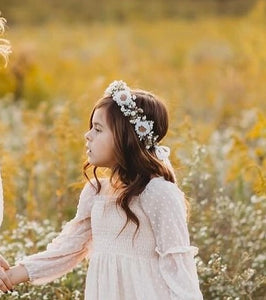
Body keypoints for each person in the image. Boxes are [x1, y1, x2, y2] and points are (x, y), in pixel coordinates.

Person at [0, 80, 203, 299]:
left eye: (98, 129)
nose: (88, 136)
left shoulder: (159, 194)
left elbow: (179, 269)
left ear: (128, 138)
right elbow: (67, 250)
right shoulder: (95, 193)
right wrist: (10, 277)